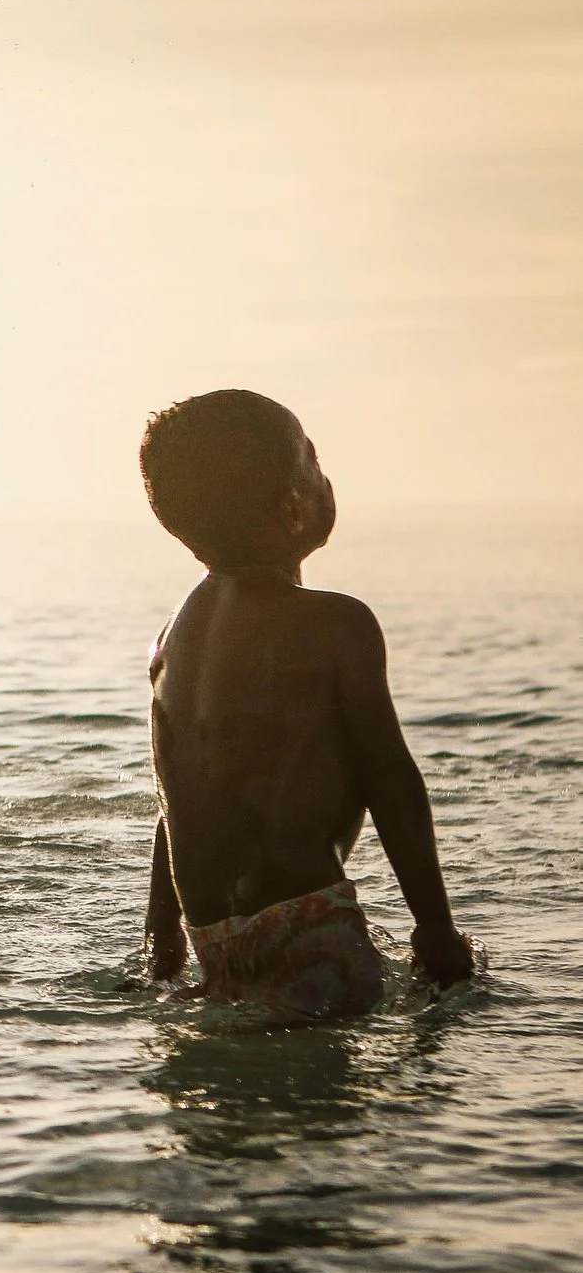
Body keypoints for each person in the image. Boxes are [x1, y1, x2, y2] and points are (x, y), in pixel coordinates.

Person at [139, 389, 475, 1020]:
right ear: (295, 510)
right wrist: (436, 930)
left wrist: (162, 944)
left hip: (213, 939)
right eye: (315, 464)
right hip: (309, 922)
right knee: (335, 1109)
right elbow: (389, 778)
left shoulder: (172, 638)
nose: (329, 478)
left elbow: (176, 793)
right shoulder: (338, 625)